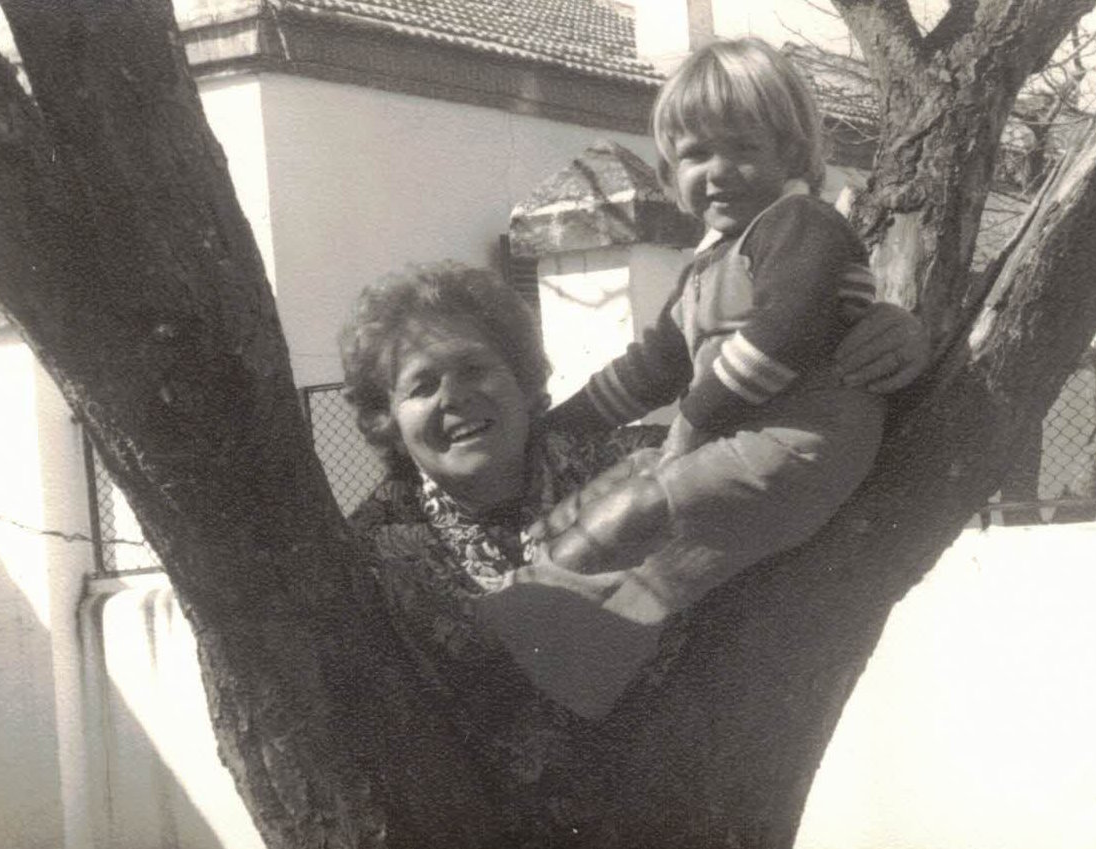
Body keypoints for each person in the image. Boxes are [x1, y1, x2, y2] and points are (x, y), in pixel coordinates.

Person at [341, 262, 924, 781]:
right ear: (387, 420)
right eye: (422, 385)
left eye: (474, 367)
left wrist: (888, 347)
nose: (455, 396)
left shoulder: (640, 464)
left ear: (521, 380)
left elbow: (805, 455)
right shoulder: (368, 559)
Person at [523, 37, 894, 643]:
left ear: (792, 154)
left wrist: (695, 417)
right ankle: (575, 617)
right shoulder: (707, 266)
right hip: (743, 441)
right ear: (671, 174)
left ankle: (541, 606)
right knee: (625, 481)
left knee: (643, 504)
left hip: (800, 442)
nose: (718, 171)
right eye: (696, 155)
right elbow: (651, 367)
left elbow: (784, 334)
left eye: (744, 148)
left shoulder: (801, 227)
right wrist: (564, 424)